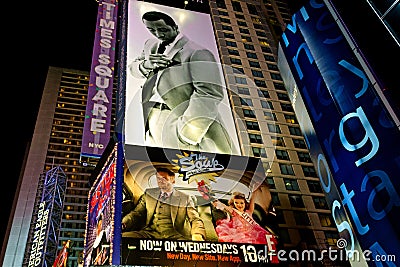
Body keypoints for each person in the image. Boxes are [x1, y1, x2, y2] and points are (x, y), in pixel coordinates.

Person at [128, 11, 238, 154]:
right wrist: (147, 65)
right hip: (152, 120)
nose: (158, 34)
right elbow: (133, 69)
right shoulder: (150, 45)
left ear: (175, 28)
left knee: (197, 174)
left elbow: (209, 93)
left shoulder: (197, 52)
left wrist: (188, 134)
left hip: (182, 122)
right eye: (151, 30)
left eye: (163, 30)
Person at [121, 167, 206, 241]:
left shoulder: (185, 198)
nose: (160, 181)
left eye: (164, 178)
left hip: (175, 236)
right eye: (158, 178)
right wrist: (124, 223)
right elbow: (137, 213)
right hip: (150, 234)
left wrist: (197, 235)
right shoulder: (149, 194)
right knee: (123, 238)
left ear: (173, 180)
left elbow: (195, 219)